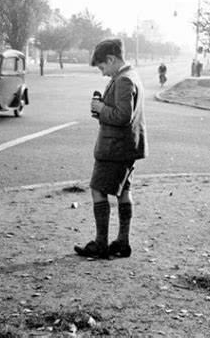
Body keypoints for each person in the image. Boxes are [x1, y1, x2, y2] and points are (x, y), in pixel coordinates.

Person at [74, 39, 148, 259]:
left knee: (98, 188)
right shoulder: (132, 75)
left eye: (102, 67)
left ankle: (100, 244)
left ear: (111, 59)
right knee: (124, 191)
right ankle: (122, 242)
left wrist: (101, 108)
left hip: (114, 148)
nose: (103, 73)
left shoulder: (123, 80)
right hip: (128, 147)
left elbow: (123, 116)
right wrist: (104, 111)